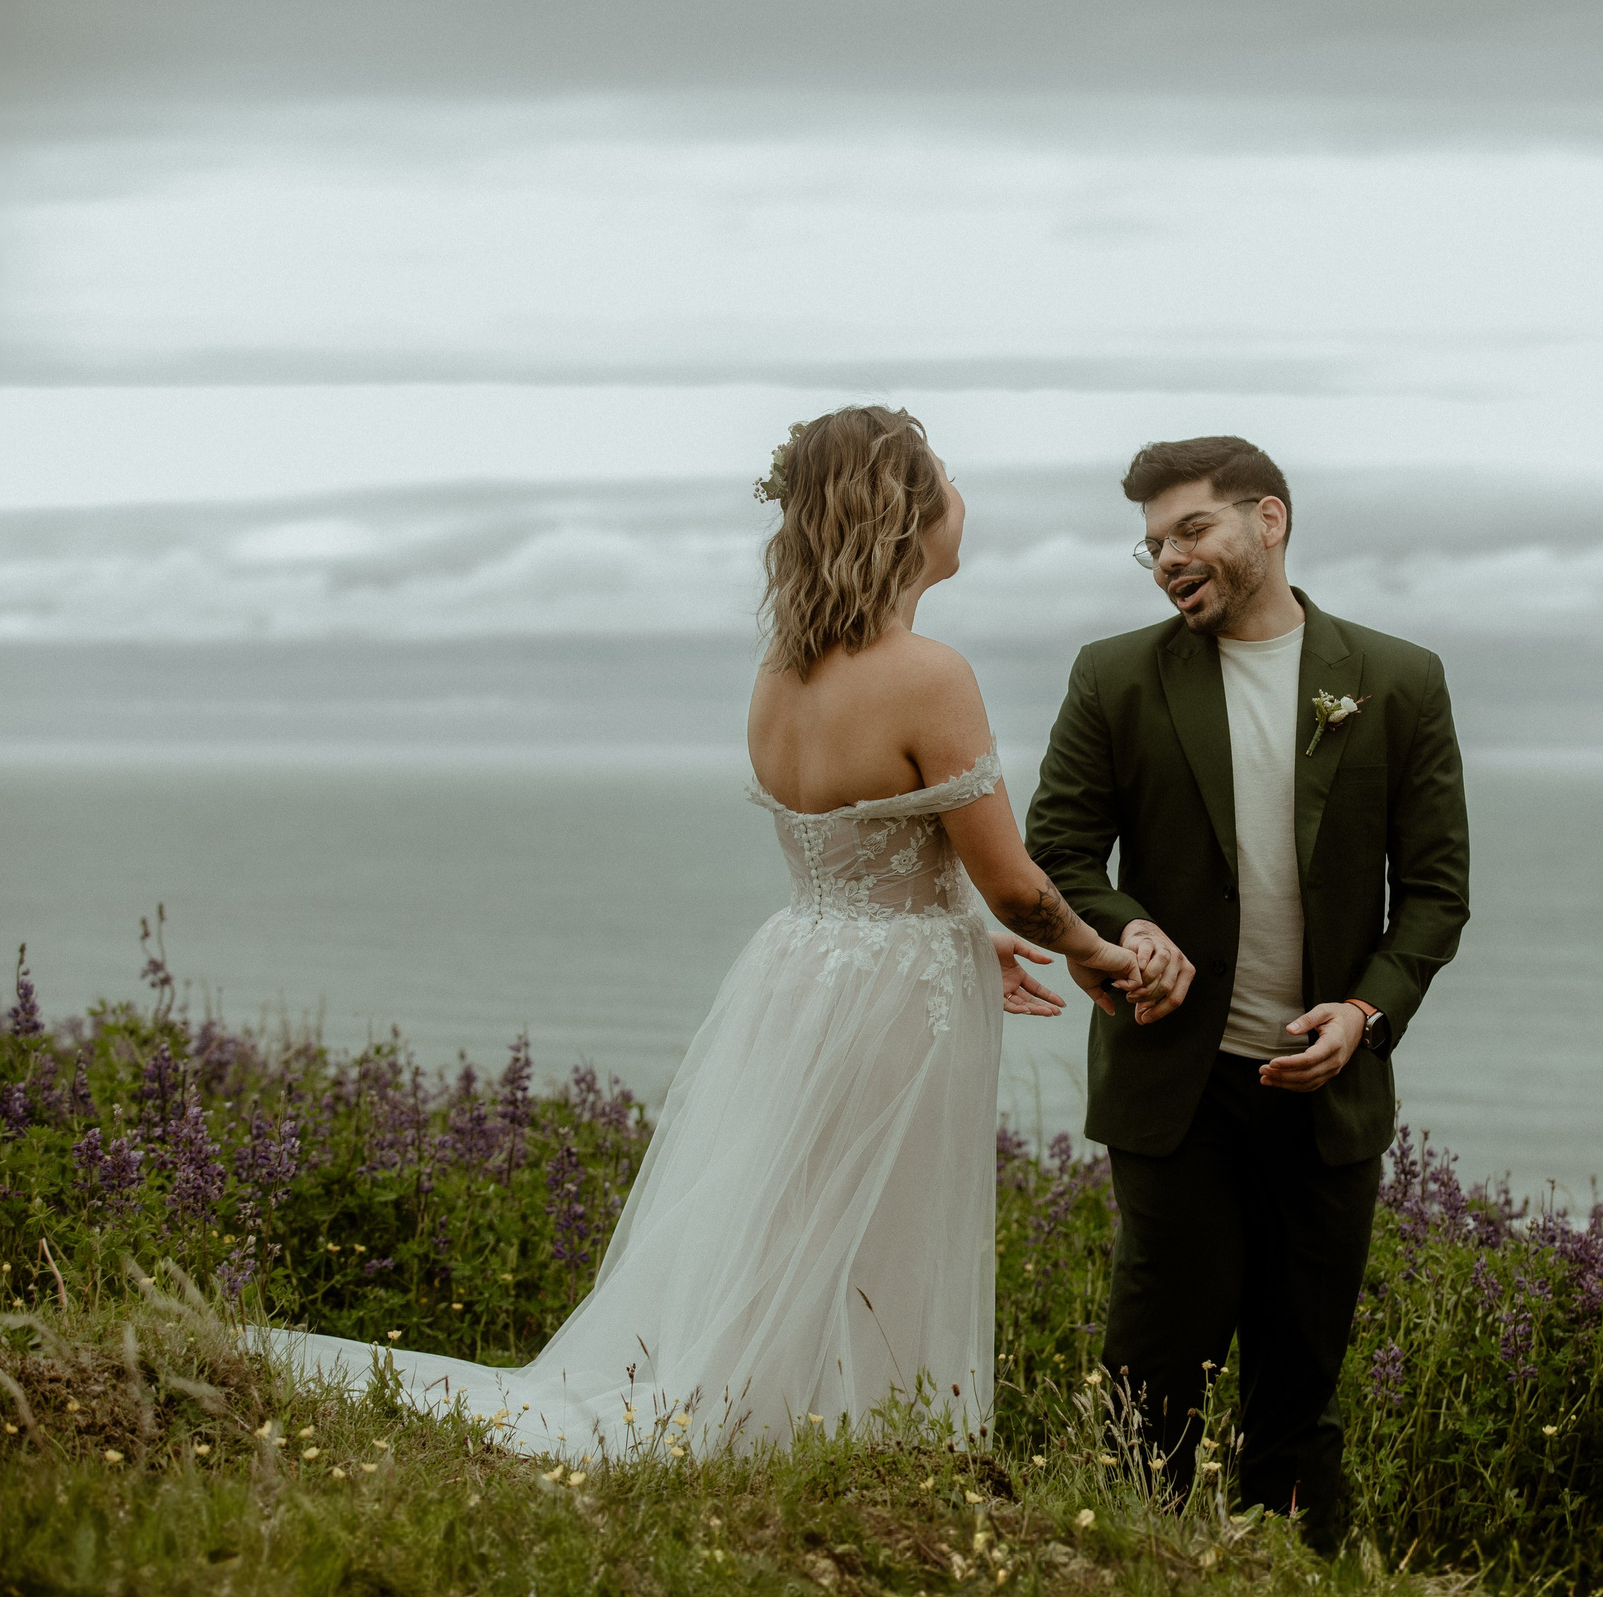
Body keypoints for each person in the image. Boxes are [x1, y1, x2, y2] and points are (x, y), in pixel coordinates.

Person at [260, 406, 1173, 1458]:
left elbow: (859, 850)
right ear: (906, 512)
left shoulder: (780, 673)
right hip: (895, 990)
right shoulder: (930, 672)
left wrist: (962, 922)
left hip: (806, 966)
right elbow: (1016, 884)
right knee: (878, 1213)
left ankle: (784, 1422)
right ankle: (846, 1439)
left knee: (795, 1211)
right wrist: (1096, 953)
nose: (964, 499)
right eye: (949, 478)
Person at [1025, 436, 1472, 1552]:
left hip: (1326, 1095)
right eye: (1152, 545)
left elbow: (1433, 893)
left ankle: (1302, 1574)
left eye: (1190, 530)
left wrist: (1363, 1013)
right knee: (1151, 1383)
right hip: (1175, 1084)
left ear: (1267, 520)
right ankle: (1133, 1568)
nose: (1168, 558)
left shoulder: (1398, 679)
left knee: (1298, 1392)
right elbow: (1057, 850)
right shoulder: (1114, 675)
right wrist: (1126, 926)